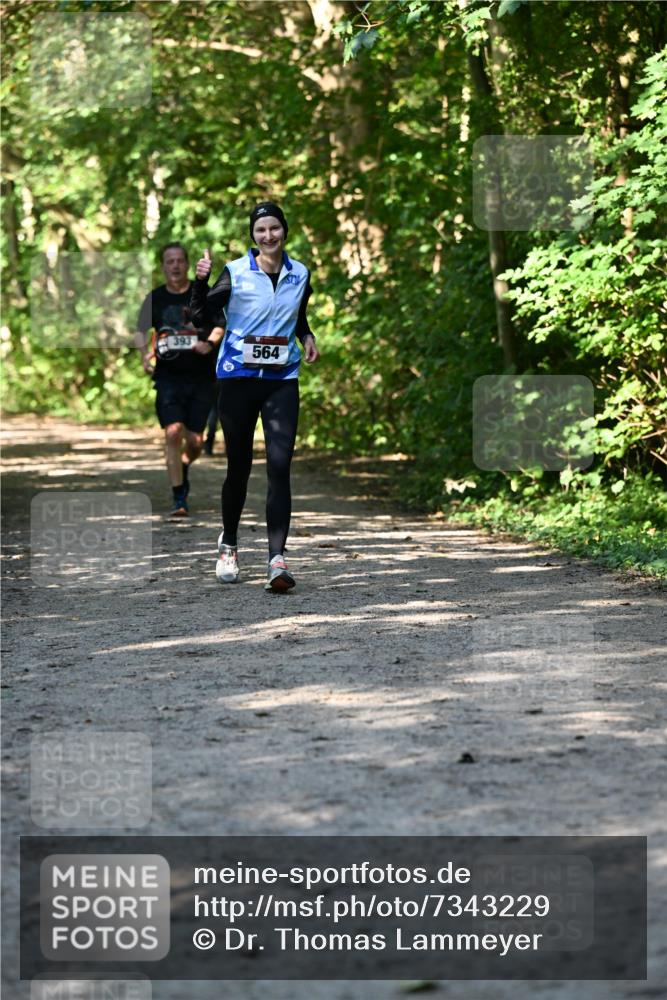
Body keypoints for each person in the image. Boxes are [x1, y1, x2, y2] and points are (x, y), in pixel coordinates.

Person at [189, 202, 319, 592]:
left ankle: (277, 560)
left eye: (274, 228)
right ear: (253, 235)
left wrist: (307, 336)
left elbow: (297, 315)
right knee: (239, 468)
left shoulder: (300, 273)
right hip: (238, 379)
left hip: (282, 379)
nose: (268, 236)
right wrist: (200, 282)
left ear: (285, 231)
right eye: (261, 230)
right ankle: (228, 543)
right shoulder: (235, 272)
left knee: (280, 466)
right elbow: (201, 316)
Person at [135, 243, 222, 516]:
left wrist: (209, 343)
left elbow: (220, 325)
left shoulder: (203, 293)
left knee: (196, 441)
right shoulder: (155, 298)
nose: (175, 265)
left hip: (201, 377)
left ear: (187, 264)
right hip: (168, 377)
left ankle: (183, 464)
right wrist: (144, 356)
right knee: (173, 432)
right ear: (163, 266)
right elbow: (140, 331)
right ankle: (179, 496)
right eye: (169, 261)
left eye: (179, 261)